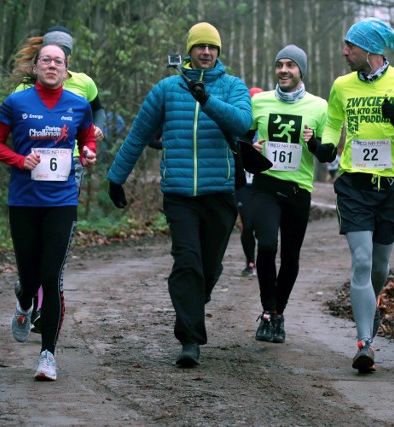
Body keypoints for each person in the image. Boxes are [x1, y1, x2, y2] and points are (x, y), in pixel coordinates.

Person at [106, 22, 252, 367]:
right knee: (187, 262)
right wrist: (116, 178)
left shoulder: (233, 86)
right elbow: (139, 133)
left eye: (211, 47)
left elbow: (243, 123)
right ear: (189, 51)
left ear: (218, 52)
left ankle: (190, 311)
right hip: (180, 194)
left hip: (220, 194)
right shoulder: (168, 89)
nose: (205, 52)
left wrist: (208, 99)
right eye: (199, 46)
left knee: (209, 268)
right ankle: (190, 340)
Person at [321, 17, 394, 372]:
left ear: (369, 50)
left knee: (379, 267)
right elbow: (332, 123)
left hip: (392, 188)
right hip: (354, 184)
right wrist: (324, 146)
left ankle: (373, 302)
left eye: (349, 47)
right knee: (362, 260)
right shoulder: (342, 85)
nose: (344, 52)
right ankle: (364, 342)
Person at [0, 43, 97, 381]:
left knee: (51, 277)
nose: (52, 65)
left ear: (66, 70)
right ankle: (23, 305)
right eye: (46, 60)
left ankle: (47, 354)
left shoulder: (78, 105)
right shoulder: (16, 103)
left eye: (58, 61)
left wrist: (88, 153)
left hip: (62, 201)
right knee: (30, 277)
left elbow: (88, 139)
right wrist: (20, 161)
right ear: (35, 67)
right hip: (23, 200)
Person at [11, 25, 106, 333]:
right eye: (49, 55)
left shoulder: (84, 84)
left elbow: (97, 112)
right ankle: (30, 288)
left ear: (69, 58)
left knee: (56, 244)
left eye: (62, 56)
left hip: (72, 164)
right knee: (33, 248)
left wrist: (92, 138)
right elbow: (10, 131)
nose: (55, 62)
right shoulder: (23, 90)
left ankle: (45, 300)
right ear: (39, 59)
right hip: (31, 173)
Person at [245, 45, 331, 344]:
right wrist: (250, 148)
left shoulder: (319, 106)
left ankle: (279, 313)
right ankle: (267, 312)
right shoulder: (259, 101)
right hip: (266, 185)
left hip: (298, 190)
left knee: (290, 256)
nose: (283, 70)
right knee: (266, 245)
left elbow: (326, 155)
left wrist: (314, 143)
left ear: (301, 71)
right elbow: (242, 138)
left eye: (290, 65)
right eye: (280, 64)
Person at [236, 86, 264, 277]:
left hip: (263, 183)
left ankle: (263, 262)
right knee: (247, 225)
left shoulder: (268, 123)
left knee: (262, 225)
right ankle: (250, 263)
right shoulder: (240, 124)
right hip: (244, 184)